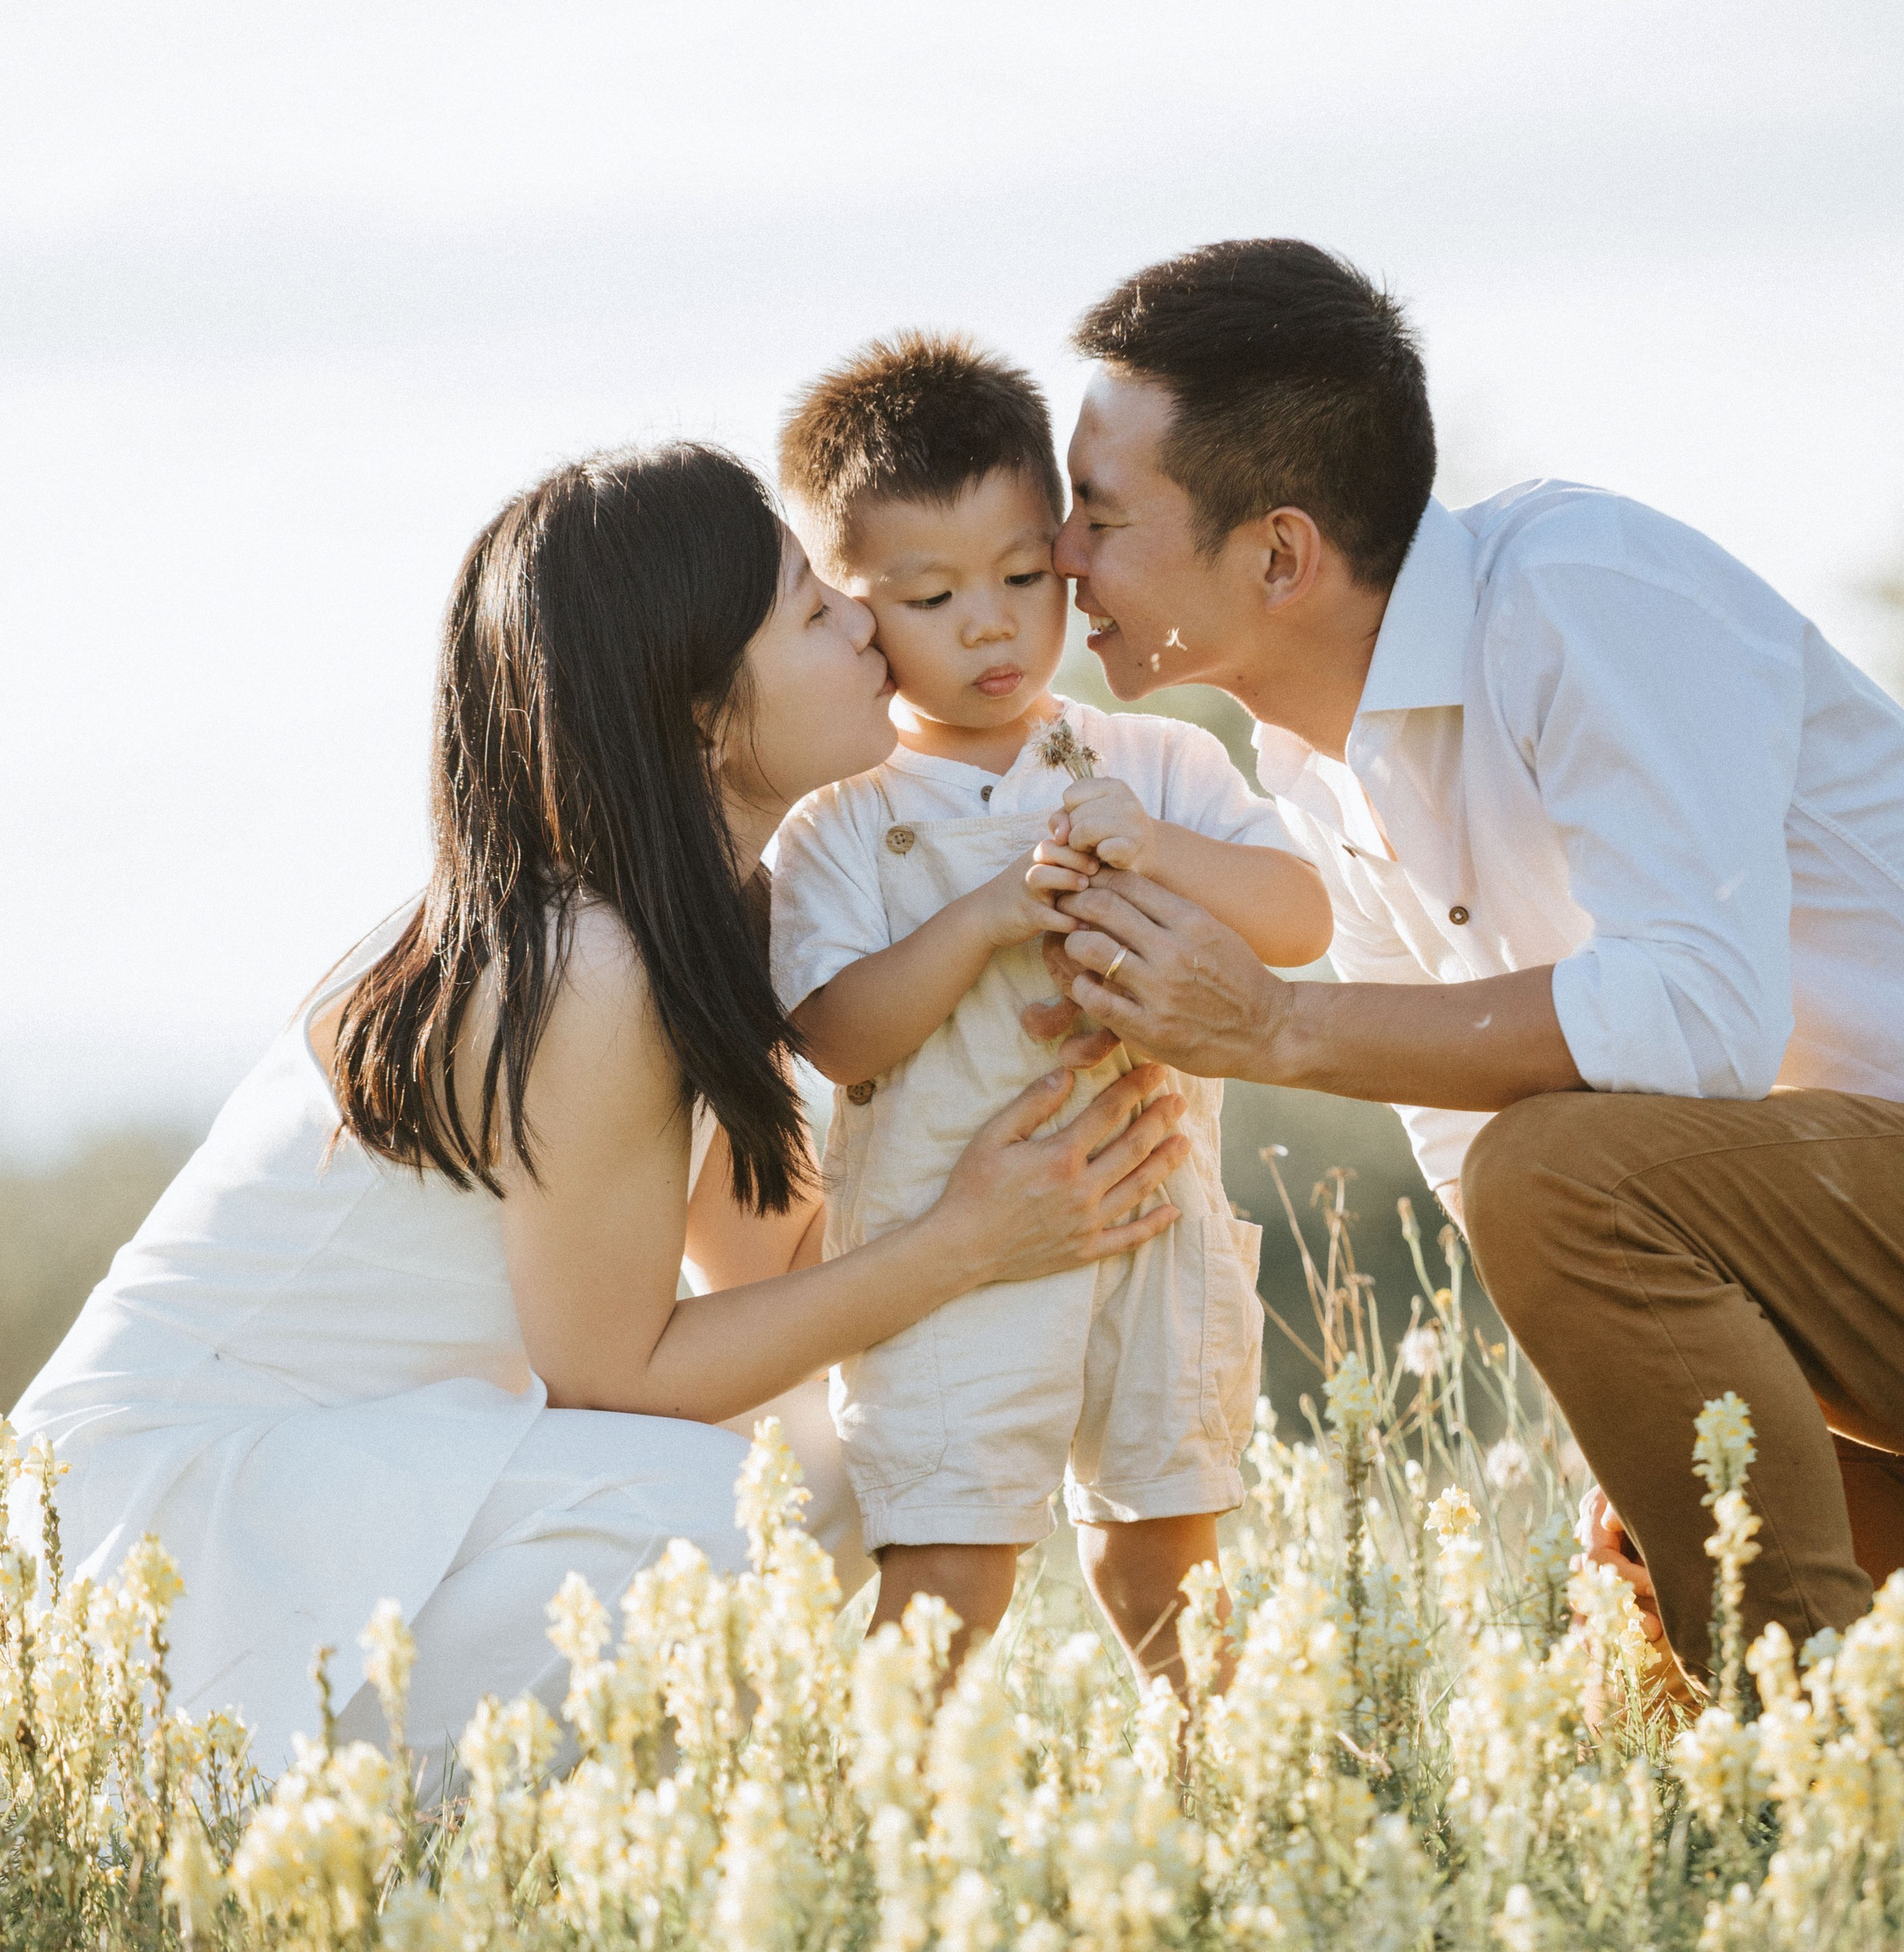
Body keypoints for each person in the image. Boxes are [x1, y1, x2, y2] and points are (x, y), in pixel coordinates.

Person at [14, 444, 1190, 1779]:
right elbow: (618, 1378)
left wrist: (1034, 1146)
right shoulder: (588, 962)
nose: (866, 619)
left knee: (877, 1444)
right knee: (714, 1524)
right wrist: (970, 1239)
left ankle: (825, 1817)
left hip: (356, 1479)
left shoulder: (703, 927)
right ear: (697, 712)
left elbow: (779, 1284)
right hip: (175, 1518)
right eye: (814, 611)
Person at [1038, 236, 1904, 1691]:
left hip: (1862, 1212)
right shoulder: (1310, 764)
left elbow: (1695, 1015)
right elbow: (1481, 1148)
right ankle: (1777, 1743)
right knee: (1616, 1659)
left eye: (1097, 514)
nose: (1058, 557)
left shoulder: (1578, 594)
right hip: (1840, 1261)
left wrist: (1273, 1025)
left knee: (1554, 1178)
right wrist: (1641, 1417)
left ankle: (1799, 1755)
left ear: (1277, 554)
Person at [771, 335, 1331, 1685]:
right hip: (949, 1244)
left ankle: (1221, 1784)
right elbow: (838, 1035)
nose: (990, 625)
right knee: (951, 1559)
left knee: (1165, 1545)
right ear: (854, 612)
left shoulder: (1155, 761)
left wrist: (1158, 850)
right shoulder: (842, 821)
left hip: (1156, 1218)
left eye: (1026, 578)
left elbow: (1302, 918)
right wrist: (980, 921)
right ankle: (886, 1824)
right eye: (931, 595)